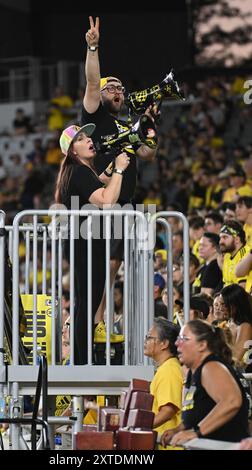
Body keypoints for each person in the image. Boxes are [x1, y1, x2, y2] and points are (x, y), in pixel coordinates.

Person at [81, 16, 157, 329]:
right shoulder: (94, 115)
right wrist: (94, 47)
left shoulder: (128, 125)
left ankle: (104, 322)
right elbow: (91, 81)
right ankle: (92, 322)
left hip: (126, 205)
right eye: (111, 87)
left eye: (121, 89)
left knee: (114, 267)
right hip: (99, 202)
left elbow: (148, 153)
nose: (118, 91)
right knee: (100, 268)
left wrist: (151, 125)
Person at [54, 124, 129, 364]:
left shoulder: (78, 173)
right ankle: (81, 362)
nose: (89, 140)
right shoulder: (78, 172)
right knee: (88, 304)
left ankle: (80, 360)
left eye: (87, 136)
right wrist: (118, 169)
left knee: (85, 303)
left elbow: (96, 185)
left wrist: (109, 173)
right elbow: (107, 201)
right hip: (85, 245)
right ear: (72, 151)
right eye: (81, 138)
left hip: (82, 244)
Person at [161, 320, 250, 447]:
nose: (176, 343)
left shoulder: (211, 367)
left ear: (202, 345)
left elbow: (232, 401)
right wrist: (179, 429)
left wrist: (196, 432)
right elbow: (199, 413)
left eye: (184, 339)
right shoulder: (194, 372)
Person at [144, 318, 183, 449]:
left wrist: (140, 428)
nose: (146, 341)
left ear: (164, 343)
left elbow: (168, 410)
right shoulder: (166, 368)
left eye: (149, 337)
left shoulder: (169, 370)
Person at [220, 284, 252, 372]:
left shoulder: (245, 327)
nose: (221, 308)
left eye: (224, 305)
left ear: (235, 305)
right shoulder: (227, 323)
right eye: (220, 304)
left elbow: (236, 357)